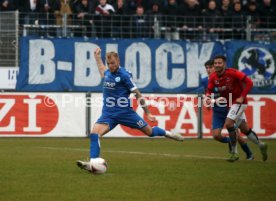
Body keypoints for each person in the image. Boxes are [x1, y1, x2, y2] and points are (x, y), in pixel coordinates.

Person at [77, 48, 184, 172]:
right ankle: (93, 163)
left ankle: (168, 134)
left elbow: (137, 94)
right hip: (108, 114)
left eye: (113, 63)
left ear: (118, 61)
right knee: (94, 134)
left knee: (150, 132)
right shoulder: (108, 73)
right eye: (108, 63)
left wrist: (147, 112)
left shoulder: (124, 75)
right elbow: (102, 69)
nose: (110, 66)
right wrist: (97, 58)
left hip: (125, 113)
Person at [205, 55, 268, 162]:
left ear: (224, 64)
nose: (216, 65)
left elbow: (249, 82)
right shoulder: (213, 77)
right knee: (244, 129)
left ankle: (234, 153)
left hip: (239, 102)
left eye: (219, 63)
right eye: (215, 63)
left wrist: (242, 96)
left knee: (229, 124)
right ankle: (261, 144)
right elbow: (209, 91)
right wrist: (207, 98)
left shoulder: (233, 73)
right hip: (230, 105)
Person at [202, 59, 254, 160]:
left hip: (229, 109)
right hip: (217, 111)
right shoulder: (205, 80)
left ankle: (249, 153)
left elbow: (230, 94)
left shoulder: (227, 77)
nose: (208, 70)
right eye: (206, 68)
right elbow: (207, 93)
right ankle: (230, 141)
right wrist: (207, 102)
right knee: (216, 135)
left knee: (237, 135)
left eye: (210, 67)